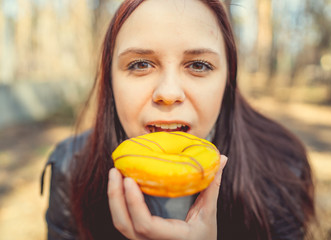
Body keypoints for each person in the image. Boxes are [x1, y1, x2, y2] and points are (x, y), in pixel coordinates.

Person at [41, 0, 315, 239]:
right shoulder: (70, 170)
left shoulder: (281, 169)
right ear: (110, 79)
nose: (169, 93)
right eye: (140, 64)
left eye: (199, 65)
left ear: (227, 80)